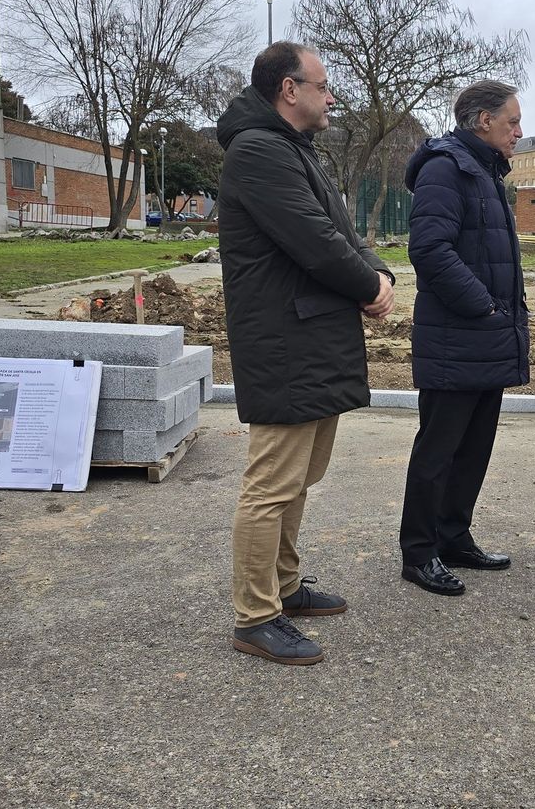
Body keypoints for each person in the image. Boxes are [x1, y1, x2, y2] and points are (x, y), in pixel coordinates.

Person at [215, 41, 395, 665]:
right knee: (271, 485)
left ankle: (285, 587)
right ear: (289, 91)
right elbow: (314, 243)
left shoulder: (294, 150)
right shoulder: (260, 152)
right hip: (285, 342)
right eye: (322, 86)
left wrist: (376, 271)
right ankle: (254, 615)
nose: (331, 96)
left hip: (314, 336)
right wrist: (368, 285)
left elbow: (340, 231)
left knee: (300, 479)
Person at [398, 81, 529, 596]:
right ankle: (419, 552)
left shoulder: (485, 172)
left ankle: (453, 537)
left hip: (486, 338)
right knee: (439, 452)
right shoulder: (445, 168)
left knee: (473, 449)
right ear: (482, 121)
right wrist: (484, 306)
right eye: (512, 122)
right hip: (458, 338)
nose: (519, 132)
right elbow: (429, 249)